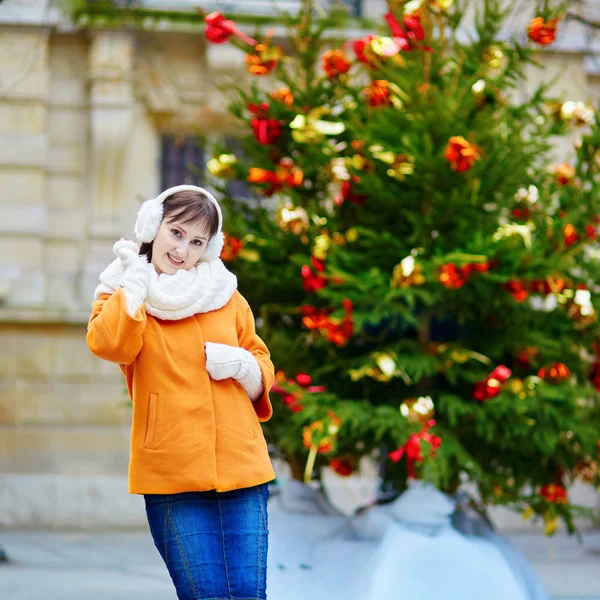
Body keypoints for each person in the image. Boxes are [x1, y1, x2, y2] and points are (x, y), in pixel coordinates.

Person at [86, 185, 275, 600]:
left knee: (247, 594)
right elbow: (110, 345)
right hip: (172, 475)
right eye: (176, 232)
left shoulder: (225, 294)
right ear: (153, 227)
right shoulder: (121, 290)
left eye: (196, 241)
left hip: (242, 468)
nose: (183, 249)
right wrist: (133, 291)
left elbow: (262, 363)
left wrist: (244, 367)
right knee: (204, 595)